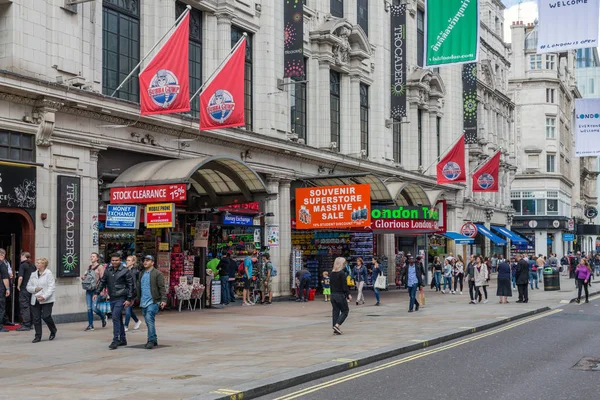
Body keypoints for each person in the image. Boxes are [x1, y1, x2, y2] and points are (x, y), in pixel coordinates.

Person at [94, 254, 134, 350]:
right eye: (113, 260)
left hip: (121, 298)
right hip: (112, 297)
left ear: (120, 260)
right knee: (118, 318)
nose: (114, 262)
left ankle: (115, 339)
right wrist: (97, 292)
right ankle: (123, 339)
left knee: (115, 317)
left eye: (116, 260)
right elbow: (103, 281)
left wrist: (129, 299)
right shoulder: (108, 270)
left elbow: (131, 286)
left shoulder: (125, 271)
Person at [138, 255, 167, 349]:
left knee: (149, 318)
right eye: (144, 260)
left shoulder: (157, 273)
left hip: (153, 301)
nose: (145, 262)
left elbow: (162, 288)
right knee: (148, 321)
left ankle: (150, 340)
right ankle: (154, 339)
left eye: (148, 260)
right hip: (143, 301)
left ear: (152, 262)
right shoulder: (141, 273)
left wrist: (163, 300)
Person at [27, 258, 57, 343]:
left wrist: (44, 296)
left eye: (39, 263)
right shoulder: (33, 274)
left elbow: (52, 287)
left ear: (44, 265)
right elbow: (28, 287)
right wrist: (35, 289)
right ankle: (38, 336)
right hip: (35, 298)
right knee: (36, 318)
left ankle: (53, 330)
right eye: (37, 262)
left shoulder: (48, 273)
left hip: (47, 299)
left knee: (46, 316)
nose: (37, 264)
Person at [81, 253, 107, 331]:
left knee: (94, 308)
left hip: (96, 291)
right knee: (89, 308)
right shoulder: (89, 267)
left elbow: (103, 280)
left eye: (93, 256)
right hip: (89, 290)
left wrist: (102, 290)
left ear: (97, 258)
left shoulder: (100, 267)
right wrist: (84, 278)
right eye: (91, 256)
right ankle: (90, 325)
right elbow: (87, 277)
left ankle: (103, 316)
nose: (91, 258)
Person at [330, 257, 351, 335]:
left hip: (333, 295)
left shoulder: (331, 273)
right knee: (345, 311)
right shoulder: (341, 273)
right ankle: (337, 325)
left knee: (335, 311)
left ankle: (335, 328)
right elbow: (344, 286)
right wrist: (348, 294)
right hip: (340, 295)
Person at [16, 252, 35, 331]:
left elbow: (20, 277)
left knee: (24, 306)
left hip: (24, 288)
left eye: (21, 256)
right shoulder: (33, 266)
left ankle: (26, 324)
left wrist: (18, 286)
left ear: (24, 256)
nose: (20, 258)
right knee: (30, 306)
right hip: (31, 288)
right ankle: (30, 324)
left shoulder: (23, 265)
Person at [124, 256, 142, 332]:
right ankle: (137, 321)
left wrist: (134, 295)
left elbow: (136, 284)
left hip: (131, 293)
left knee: (127, 310)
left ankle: (125, 326)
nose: (127, 262)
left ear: (133, 262)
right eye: (126, 260)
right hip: (125, 292)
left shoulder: (135, 271)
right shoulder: (124, 270)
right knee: (129, 310)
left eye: (129, 260)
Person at [0, 249, 10, 332]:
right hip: (0, 289)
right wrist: (7, 288)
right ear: (2, 255)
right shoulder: (2, 264)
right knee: (1, 308)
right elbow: (5, 278)